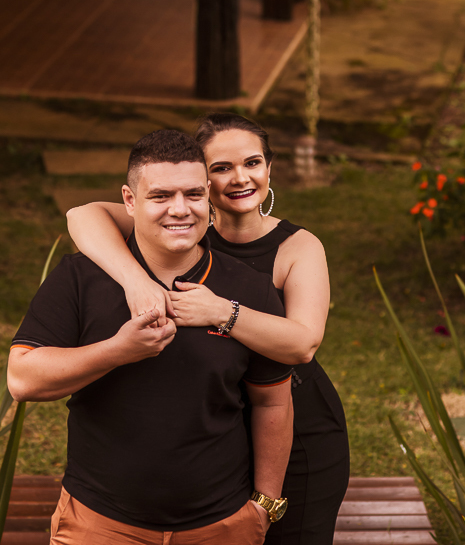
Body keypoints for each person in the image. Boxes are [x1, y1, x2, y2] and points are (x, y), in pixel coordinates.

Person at [67, 113, 349, 545]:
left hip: (296, 419)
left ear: (269, 169)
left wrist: (222, 311)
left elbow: (303, 344)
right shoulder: (182, 228)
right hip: (217, 426)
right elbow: (81, 216)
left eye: (252, 163)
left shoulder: (297, 247)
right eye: (221, 168)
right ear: (202, 177)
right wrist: (136, 280)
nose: (240, 178)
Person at [9, 128, 294, 544]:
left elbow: (272, 400)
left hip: (221, 526)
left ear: (209, 198)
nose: (180, 210)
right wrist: (118, 350)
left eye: (193, 195)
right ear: (129, 200)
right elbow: (22, 379)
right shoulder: (81, 276)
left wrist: (263, 508)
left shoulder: (248, 289)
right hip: (99, 523)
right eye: (160, 196)